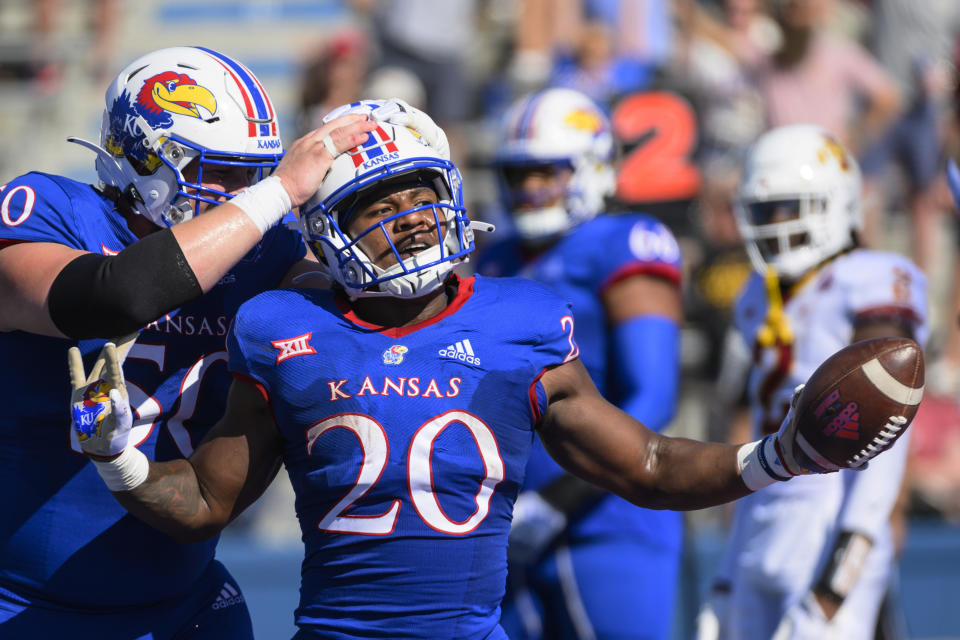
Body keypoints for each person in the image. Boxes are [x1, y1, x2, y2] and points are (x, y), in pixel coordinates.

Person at [71, 102, 903, 640]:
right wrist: (121, 459)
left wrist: (777, 457)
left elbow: (645, 464)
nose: (409, 217)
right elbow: (209, 500)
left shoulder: (521, 320)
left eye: (418, 192)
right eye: (377, 205)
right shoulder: (281, 326)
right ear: (328, 229)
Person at [0, 45, 385, 638]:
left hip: (189, 603)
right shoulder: (51, 209)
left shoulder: (269, 252)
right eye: (220, 173)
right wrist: (278, 192)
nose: (241, 194)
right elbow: (111, 297)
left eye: (253, 175)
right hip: (26, 604)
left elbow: (353, 318)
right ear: (143, 156)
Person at [695, 124, 928, 640]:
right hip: (765, 515)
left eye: (790, 207)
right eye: (765, 211)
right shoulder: (757, 293)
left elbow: (887, 428)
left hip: (830, 517)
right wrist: (727, 577)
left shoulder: (869, 276)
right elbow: (757, 432)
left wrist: (845, 564)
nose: (775, 224)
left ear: (835, 205)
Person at [475, 87, 684, 640]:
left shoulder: (623, 241)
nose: (531, 188)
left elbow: (654, 394)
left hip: (607, 518)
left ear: (592, 166)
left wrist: (558, 500)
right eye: (518, 174)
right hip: (503, 527)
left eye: (547, 170)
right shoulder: (495, 255)